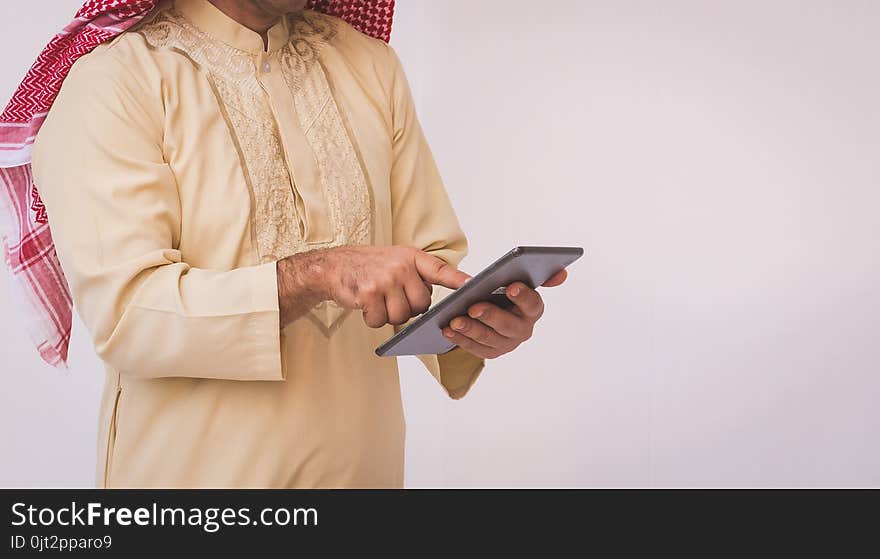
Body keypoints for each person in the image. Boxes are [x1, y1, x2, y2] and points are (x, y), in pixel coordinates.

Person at [3, 0, 567, 488]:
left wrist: (478, 324)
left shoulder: (369, 66)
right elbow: (127, 316)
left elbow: (429, 267)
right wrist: (318, 273)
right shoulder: (118, 81)